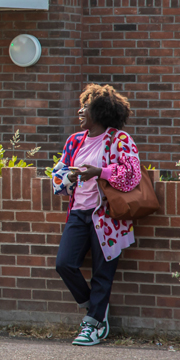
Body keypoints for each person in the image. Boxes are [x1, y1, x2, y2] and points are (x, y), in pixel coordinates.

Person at [52, 84, 141, 346]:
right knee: (64, 264)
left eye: (86, 107)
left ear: (100, 112)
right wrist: (70, 175)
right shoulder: (74, 141)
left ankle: (92, 326)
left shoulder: (120, 140)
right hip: (78, 212)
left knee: (103, 273)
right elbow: (57, 178)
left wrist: (98, 172)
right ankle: (96, 309)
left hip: (108, 218)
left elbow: (131, 176)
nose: (80, 111)